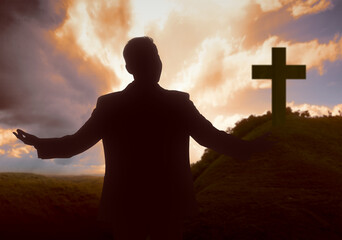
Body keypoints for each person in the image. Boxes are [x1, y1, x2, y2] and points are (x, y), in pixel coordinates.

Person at [14, 36, 258, 240]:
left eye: (155, 57)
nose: (156, 63)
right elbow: (211, 138)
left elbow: (76, 144)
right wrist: (251, 148)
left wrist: (40, 143)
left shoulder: (111, 105)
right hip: (166, 203)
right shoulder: (177, 103)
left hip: (127, 204)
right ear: (135, 67)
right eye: (152, 58)